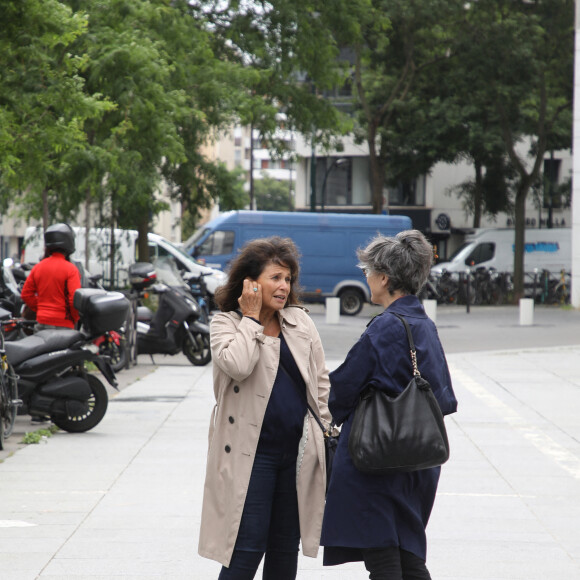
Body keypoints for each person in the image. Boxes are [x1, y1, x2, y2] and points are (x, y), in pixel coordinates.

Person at [321, 230, 458, 580]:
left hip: (377, 459)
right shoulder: (425, 325)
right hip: (420, 460)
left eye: (368, 271)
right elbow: (443, 397)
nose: (365, 277)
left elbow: (342, 390)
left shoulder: (383, 328)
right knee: (407, 554)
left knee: (382, 558)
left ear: (384, 277)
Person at [198, 236, 332, 579]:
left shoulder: (301, 323)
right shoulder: (225, 324)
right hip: (250, 455)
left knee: (285, 550)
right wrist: (252, 319)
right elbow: (239, 365)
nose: (284, 286)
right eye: (275, 277)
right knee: (245, 549)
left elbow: (319, 383)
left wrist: (321, 434)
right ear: (250, 282)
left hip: (296, 455)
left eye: (288, 279)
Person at [21, 223, 81, 331]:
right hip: (63, 325)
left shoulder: (38, 267)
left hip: (41, 323)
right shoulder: (71, 269)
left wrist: (41, 308)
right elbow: (74, 301)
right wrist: (75, 317)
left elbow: (26, 294)